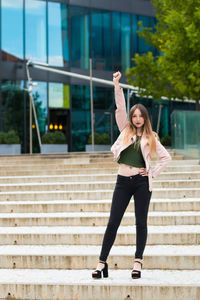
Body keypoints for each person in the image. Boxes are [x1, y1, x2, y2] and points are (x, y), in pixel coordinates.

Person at [92, 71, 172, 279]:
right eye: (134, 116)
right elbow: (120, 107)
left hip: (141, 182)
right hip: (122, 181)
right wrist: (116, 85)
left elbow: (166, 158)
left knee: (140, 222)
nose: (137, 119)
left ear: (145, 118)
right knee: (113, 222)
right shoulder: (124, 130)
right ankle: (102, 263)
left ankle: (138, 262)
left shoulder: (151, 137)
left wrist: (152, 172)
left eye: (140, 116)